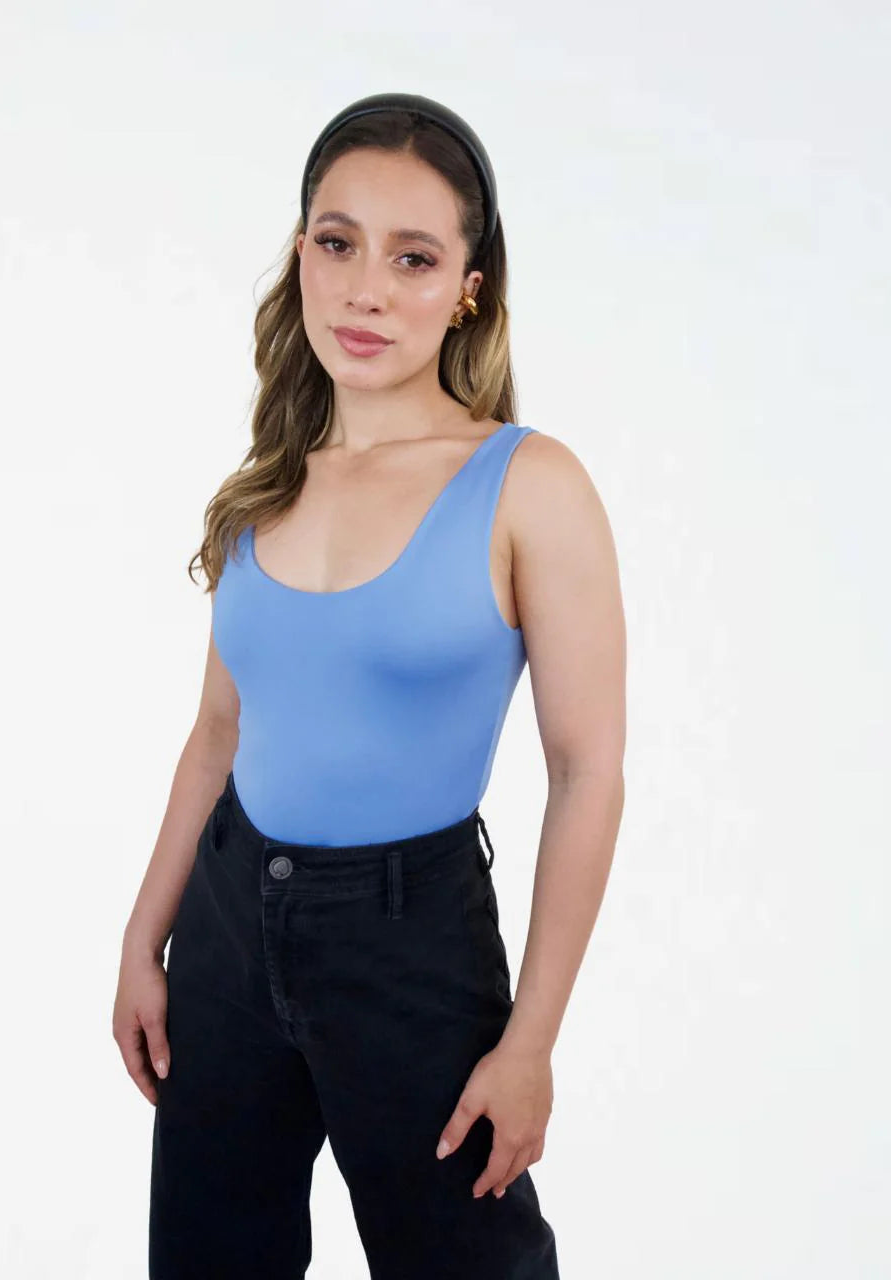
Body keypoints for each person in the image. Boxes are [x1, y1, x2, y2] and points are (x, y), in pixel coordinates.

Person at [113, 92, 626, 1279]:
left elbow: (585, 768)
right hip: (226, 927)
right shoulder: (269, 482)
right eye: (337, 243)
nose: (365, 290)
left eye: (413, 258)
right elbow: (216, 733)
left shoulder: (527, 483)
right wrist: (145, 939)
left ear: (467, 289)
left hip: (411, 945)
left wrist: (531, 1041)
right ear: (300, 252)